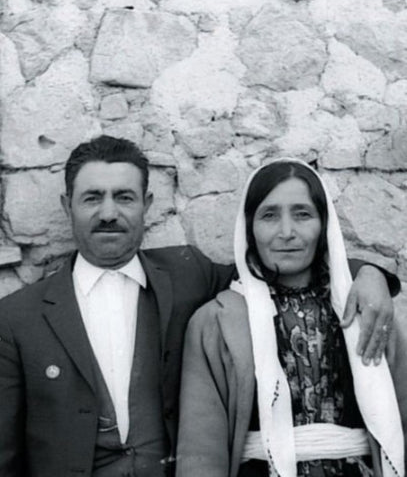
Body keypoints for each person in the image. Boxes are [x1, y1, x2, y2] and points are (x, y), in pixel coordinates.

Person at [0, 139, 399, 477]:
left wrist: (369, 274)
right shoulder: (17, 318)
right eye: (92, 198)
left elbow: (281, 267)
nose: (108, 213)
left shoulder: (188, 274)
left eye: (124, 197)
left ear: (147, 204)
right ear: (67, 205)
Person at [176, 159, 407, 477]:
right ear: (249, 228)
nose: (286, 232)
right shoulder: (216, 323)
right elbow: (201, 451)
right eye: (269, 216)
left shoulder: (367, 310)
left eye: (303, 215)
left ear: (324, 225)